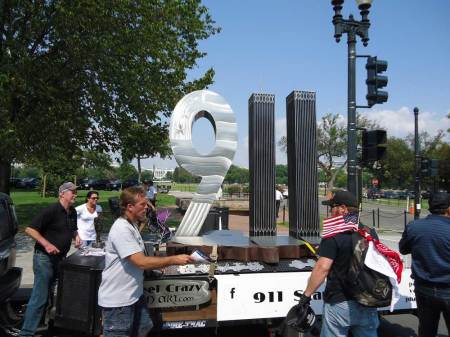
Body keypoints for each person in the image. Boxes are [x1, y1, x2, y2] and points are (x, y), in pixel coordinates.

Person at [98, 186, 193, 337]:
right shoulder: (121, 229)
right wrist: (173, 259)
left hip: (134, 296)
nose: (146, 208)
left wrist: (153, 268)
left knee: (145, 327)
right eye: (142, 205)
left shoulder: (131, 225)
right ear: (130, 207)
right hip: (119, 302)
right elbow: (140, 262)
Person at [301, 190, 379, 337]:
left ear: (343, 208)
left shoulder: (334, 235)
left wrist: (306, 295)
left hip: (340, 301)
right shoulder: (370, 232)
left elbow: (322, 268)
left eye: (333, 207)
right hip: (367, 300)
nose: (330, 211)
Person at [20, 182, 80, 337]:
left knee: (51, 296)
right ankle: (26, 333)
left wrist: (76, 237)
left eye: (76, 192)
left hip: (60, 259)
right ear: (62, 194)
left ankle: (47, 326)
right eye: (72, 192)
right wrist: (46, 244)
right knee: (40, 296)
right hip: (44, 259)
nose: (75, 195)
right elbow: (30, 229)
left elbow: (73, 228)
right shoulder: (52, 210)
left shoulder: (72, 212)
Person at [399, 191, 450, 337]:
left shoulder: (414, 227)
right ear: (448, 209)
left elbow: (403, 249)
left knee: (427, 330)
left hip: (424, 288)